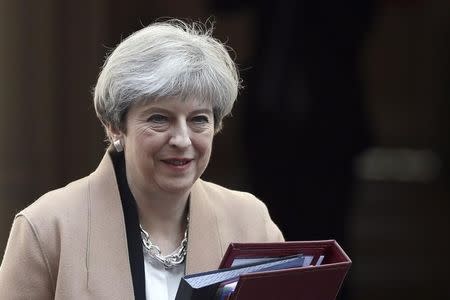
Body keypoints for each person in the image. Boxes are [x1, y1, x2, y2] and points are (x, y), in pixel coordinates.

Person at [0, 20, 283, 300]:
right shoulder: (47, 227)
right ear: (115, 127)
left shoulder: (251, 223)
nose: (182, 140)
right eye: (159, 118)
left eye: (198, 119)